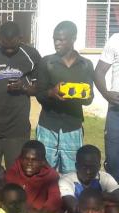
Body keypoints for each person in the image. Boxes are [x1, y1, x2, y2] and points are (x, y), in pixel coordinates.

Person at [36, 21, 94, 174]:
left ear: (73, 38)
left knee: (72, 172)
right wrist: (51, 93)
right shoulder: (47, 62)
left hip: (72, 126)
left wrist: (79, 94)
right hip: (48, 125)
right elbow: (39, 94)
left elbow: (89, 99)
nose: (57, 43)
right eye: (55, 39)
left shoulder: (86, 65)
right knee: (45, 173)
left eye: (61, 40)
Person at [0, 21, 41, 169]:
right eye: (5, 45)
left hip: (17, 128)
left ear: (20, 38)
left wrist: (23, 87)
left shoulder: (31, 55)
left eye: (13, 46)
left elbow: (38, 88)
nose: (9, 50)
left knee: (15, 173)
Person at [5, 140, 62, 213]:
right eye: (26, 159)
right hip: (17, 211)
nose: (29, 164)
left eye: (34, 160)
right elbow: (10, 199)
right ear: (21, 158)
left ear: (42, 161)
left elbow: (54, 199)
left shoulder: (51, 175)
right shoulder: (14, 171)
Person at [59, 145, 119, 213]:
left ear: (99, 166)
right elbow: (74, 208)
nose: (88, 172)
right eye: (84, 167)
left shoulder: (105, 177)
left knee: (113, 210)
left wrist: (103, 196)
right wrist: (103, 201)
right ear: (76, 166)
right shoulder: (66, 181)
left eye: (92, 167)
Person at [94, 33, 119, 183]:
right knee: (114, 161)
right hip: (116, 111)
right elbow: (99, 72)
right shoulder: (116, 39)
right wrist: (105, 94)